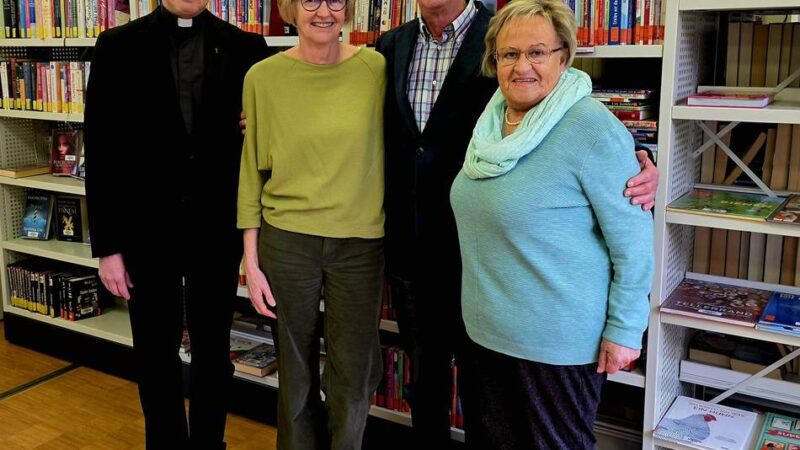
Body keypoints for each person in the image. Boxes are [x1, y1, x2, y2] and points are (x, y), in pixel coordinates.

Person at [375, 0, 658, 446]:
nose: (522, 65)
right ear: (495, 62)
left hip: (555, 342)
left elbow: (633, 239)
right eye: (509, 55)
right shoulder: (489, 122)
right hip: (485, 330)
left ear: (564, 56)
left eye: (538, 52)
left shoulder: (589, 126)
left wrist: (625, 330)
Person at [83, 0, 270, 447]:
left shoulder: (248, 48)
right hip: (146, 233)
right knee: (154, 354)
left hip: (217, 231)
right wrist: (108, 247)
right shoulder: (116, 46)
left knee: (212, 353)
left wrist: (258, 127)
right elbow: (101, 149)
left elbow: (269, 137)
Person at [236, 0, 386, 448]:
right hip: (287, 243)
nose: (323, 11)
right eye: (309, 0)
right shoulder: (262, 77)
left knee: (353, 372)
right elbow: (250, 170)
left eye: (335, 0)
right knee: (295, 371)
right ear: (290, 9)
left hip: (360, 244)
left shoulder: (375, 69)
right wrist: (251, 258)